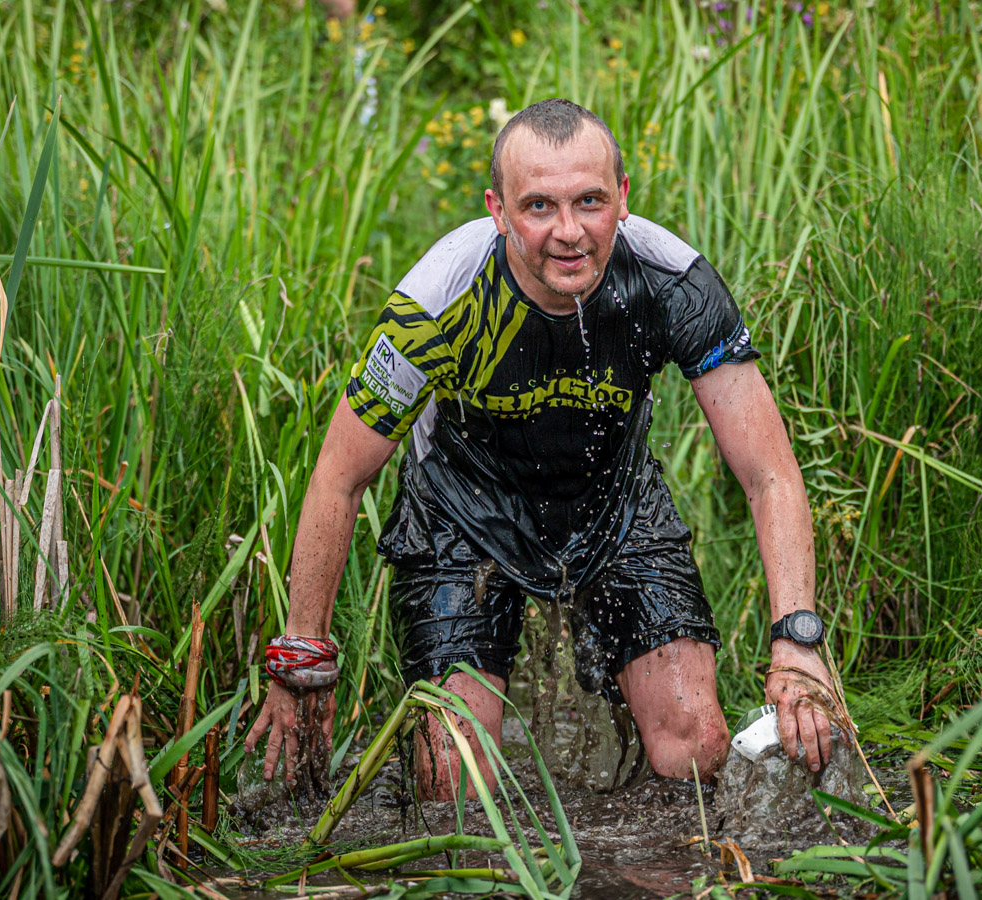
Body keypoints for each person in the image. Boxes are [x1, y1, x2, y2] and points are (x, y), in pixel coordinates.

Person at [245, 98, 836, 800]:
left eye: (590, 201)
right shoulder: (437, 300)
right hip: (463, 517)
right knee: (453, 786)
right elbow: (337, 480)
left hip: (614, 505)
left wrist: (797, 644)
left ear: (622, 196)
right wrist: (301, 659)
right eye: (538, 207)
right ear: (498, 210)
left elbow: (770, 473)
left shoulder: (672, 281)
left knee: (697, 747)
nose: (569, 233)